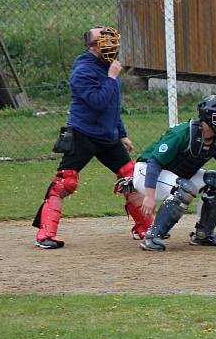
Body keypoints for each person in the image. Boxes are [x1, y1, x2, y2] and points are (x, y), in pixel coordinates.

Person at [32, 26, 153, 249]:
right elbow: (97, 101)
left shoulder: (110, 67)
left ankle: (145, 228)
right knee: (64, 182)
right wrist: (111, 77)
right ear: (92, 47)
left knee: (131, 177)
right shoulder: (83, 71)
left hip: (107, 136)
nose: (110, 43)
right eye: (103, 39)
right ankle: (45, 234)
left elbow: (112, 106)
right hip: (83, 134)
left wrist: (122, 134)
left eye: (110, 38)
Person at [127, 95, 216, 251]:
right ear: (208, 118)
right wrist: (149, 196)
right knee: (185, 188)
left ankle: (203, 234)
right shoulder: (182, 133)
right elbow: (155, 163)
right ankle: (152, 237)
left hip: (175, 175)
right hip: (147, 171)